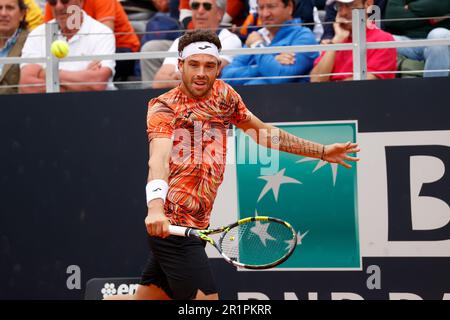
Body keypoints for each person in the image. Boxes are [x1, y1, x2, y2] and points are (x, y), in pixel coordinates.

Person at [109, 29, 359, 300]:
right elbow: (157, 159)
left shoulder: (224, 95)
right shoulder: (163, 107)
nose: (201, 73)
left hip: (196, 225)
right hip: (172, 226)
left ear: (219, 67)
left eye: (209, 65)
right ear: (180, 65)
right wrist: (155, 209)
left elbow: (264, 134)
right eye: (194, 64)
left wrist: (321, 151)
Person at [19, 0, 116, 93]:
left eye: (65, 0)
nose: (59, 6)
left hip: (93, 106)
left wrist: (46, 73)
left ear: (80, 1)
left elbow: (97, 83)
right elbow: (27, 86)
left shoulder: (102, 33)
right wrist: (82, 81)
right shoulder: (37, 34)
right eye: (53, 1)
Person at [221, 0, 318, 85]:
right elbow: (226, 77)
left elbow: (280, 76)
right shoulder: (256, 36)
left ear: (289, 7)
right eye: (261, 8)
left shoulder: (304, 37)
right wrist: (268, 63)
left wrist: (257, 46)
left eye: (271, 6)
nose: (265, 14)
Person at [151, 0, 242, 89]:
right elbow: (158, 82)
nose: (200, 11)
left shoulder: (230, 39)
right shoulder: (180, 41)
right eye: (195, 5)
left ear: (219, 13)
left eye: (207, 6)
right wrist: (184, 79)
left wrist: (178, 78)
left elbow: (212, 72)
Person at [44, 0, 140, 81]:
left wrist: (48, 75)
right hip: (82, 49)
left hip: (122, 49)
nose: (59, 6)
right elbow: (46, 36)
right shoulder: (55, 4)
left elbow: (104, 35)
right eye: (52, 1)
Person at [310, 0, 397, 82]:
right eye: (339, 5)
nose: (343, 12)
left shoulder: (383, 40)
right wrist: (336, 42)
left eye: (350, 5)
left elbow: (364, 84)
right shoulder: (337, 38)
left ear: (368, 4)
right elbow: (315, 80)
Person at [383, 0, 450, 78]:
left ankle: (433, 89)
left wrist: (410, 7)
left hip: (442, 40)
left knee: (438, 36)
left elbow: (443, 5)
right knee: (379, 40)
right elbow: (392, 17)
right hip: (409, 41)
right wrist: (431, 19)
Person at [0, 0, 28, 94]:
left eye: (9, 8)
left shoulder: (32, 41)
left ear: (22, 14)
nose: (3, 13)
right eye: (0, 8)